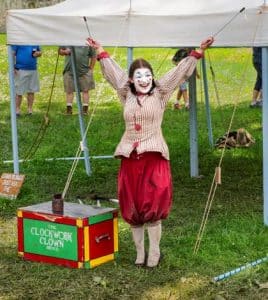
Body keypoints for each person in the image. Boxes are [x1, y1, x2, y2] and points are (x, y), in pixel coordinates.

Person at [86, 36, 214, 268]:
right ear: (132, 80)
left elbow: (179, 73)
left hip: (154, 158)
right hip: (130, 159)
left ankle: (154, 252)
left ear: (152, 77)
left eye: (147, 75)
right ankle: (139, 253)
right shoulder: (126, 93)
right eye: (138, 76)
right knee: (133, 206)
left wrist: (198, 51)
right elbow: (114, 73)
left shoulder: (161, 93)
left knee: (152, 207)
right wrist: (101, 51)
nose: (144, 80)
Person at [58, 46, 96, 115]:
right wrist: (65, 52)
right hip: (69, 70)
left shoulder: (87, 42)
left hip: (84, 71)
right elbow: (59, 51)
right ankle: (69, 110)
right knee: (69, 91)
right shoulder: (67, 39)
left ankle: (85, 110)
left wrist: (91, 68)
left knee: (85, 90)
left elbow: (94, 56)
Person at [12, 45, 42, 116]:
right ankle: (17, 109)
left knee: (31, 90)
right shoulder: (19, 40)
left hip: (33, 69)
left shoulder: (34, 40)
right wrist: (13, 66)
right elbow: (12, 53)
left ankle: (30, 109)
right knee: (19, 91)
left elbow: (40, 52)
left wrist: (38, 53)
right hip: (20, 69)